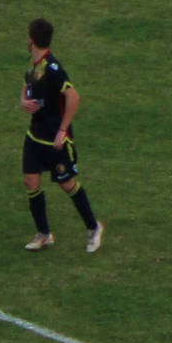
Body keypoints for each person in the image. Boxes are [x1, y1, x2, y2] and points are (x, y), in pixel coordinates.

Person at [18, 18, 104, 254]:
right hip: (35, 135)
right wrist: (23, 100)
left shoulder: (53, 68)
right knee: (30, 181)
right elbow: (27, 83)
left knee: (67, 184)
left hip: (54, 139)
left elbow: (73, 97)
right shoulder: (34, 62)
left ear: (31, 39)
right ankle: (44, 234)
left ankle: (94, 227)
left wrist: (63, 130)